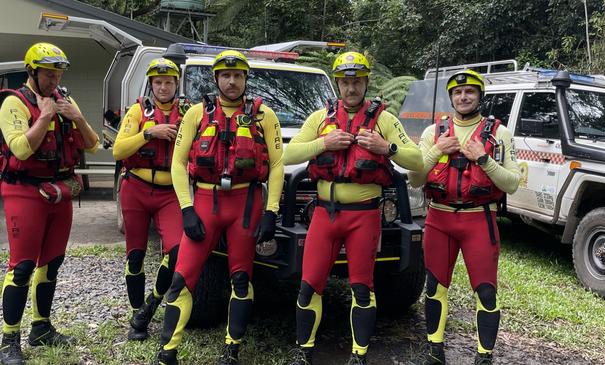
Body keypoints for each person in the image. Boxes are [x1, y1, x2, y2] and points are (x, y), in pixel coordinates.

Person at [283, 51, 423, 365]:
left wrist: (387, 148)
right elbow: (288, 155)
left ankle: (358, 355)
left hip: (364, 216)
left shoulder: (383, 120)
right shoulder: (320, 119)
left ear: (366, 82)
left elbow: (417, 160)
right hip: (324, 214)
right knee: (309, 285)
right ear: (337, 83)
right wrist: (323, 144)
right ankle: (303, 351)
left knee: (362, 287)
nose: (351, 88)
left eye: (357, 81)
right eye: (345, 82)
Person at [153, 50, 284, 365]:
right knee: (183, 276)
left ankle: (232, 348)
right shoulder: (197, 113)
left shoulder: (264, 115)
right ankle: (167, 352)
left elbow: (278, 164)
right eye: (226, 75)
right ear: (216, 79)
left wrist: (272, 210)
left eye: (238, 75)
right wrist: (186, 208)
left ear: (245, 79)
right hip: (204, 204)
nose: (232, 81)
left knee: (241, 278)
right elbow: (178, 162)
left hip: (245, 204)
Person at [407, 69, 520, 365]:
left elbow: (511, 183)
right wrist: (436, 151)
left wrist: (483, 158)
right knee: (434, 287)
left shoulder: (499, 133)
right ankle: (435, 351)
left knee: (485, 291)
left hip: (478, 220)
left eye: (469, 91)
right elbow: (415, 178)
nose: (463, 96)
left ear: (480, 95)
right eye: (457, 92)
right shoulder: (435, 132)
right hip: (439, 219)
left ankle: (484, 356)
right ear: (451, 98)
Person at [0, 42, 100, 365]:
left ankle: (40, 328)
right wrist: (43, 118)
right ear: (32, 72)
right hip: (24, 191)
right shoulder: (12, 104)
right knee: (23, 265)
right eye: (48, 74)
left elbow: (94, 145)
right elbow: (20, 150)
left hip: (60, 191)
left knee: (52, 262)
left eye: (58, 74)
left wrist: (77, 117)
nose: (54, 80)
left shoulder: (64, 101)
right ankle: (8, 339)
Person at [113, 58, 189, 341]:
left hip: (170, 193)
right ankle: (136, 316)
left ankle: (150, 305)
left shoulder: (188, 111)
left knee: (177, 251)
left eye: (169, 82)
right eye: (158, 82)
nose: (164, 87)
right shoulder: (137, 111)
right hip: (136, 187)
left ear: (176, 83)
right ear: (151, 84)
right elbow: (118, 150)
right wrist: (149, 132)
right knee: (135, 255)